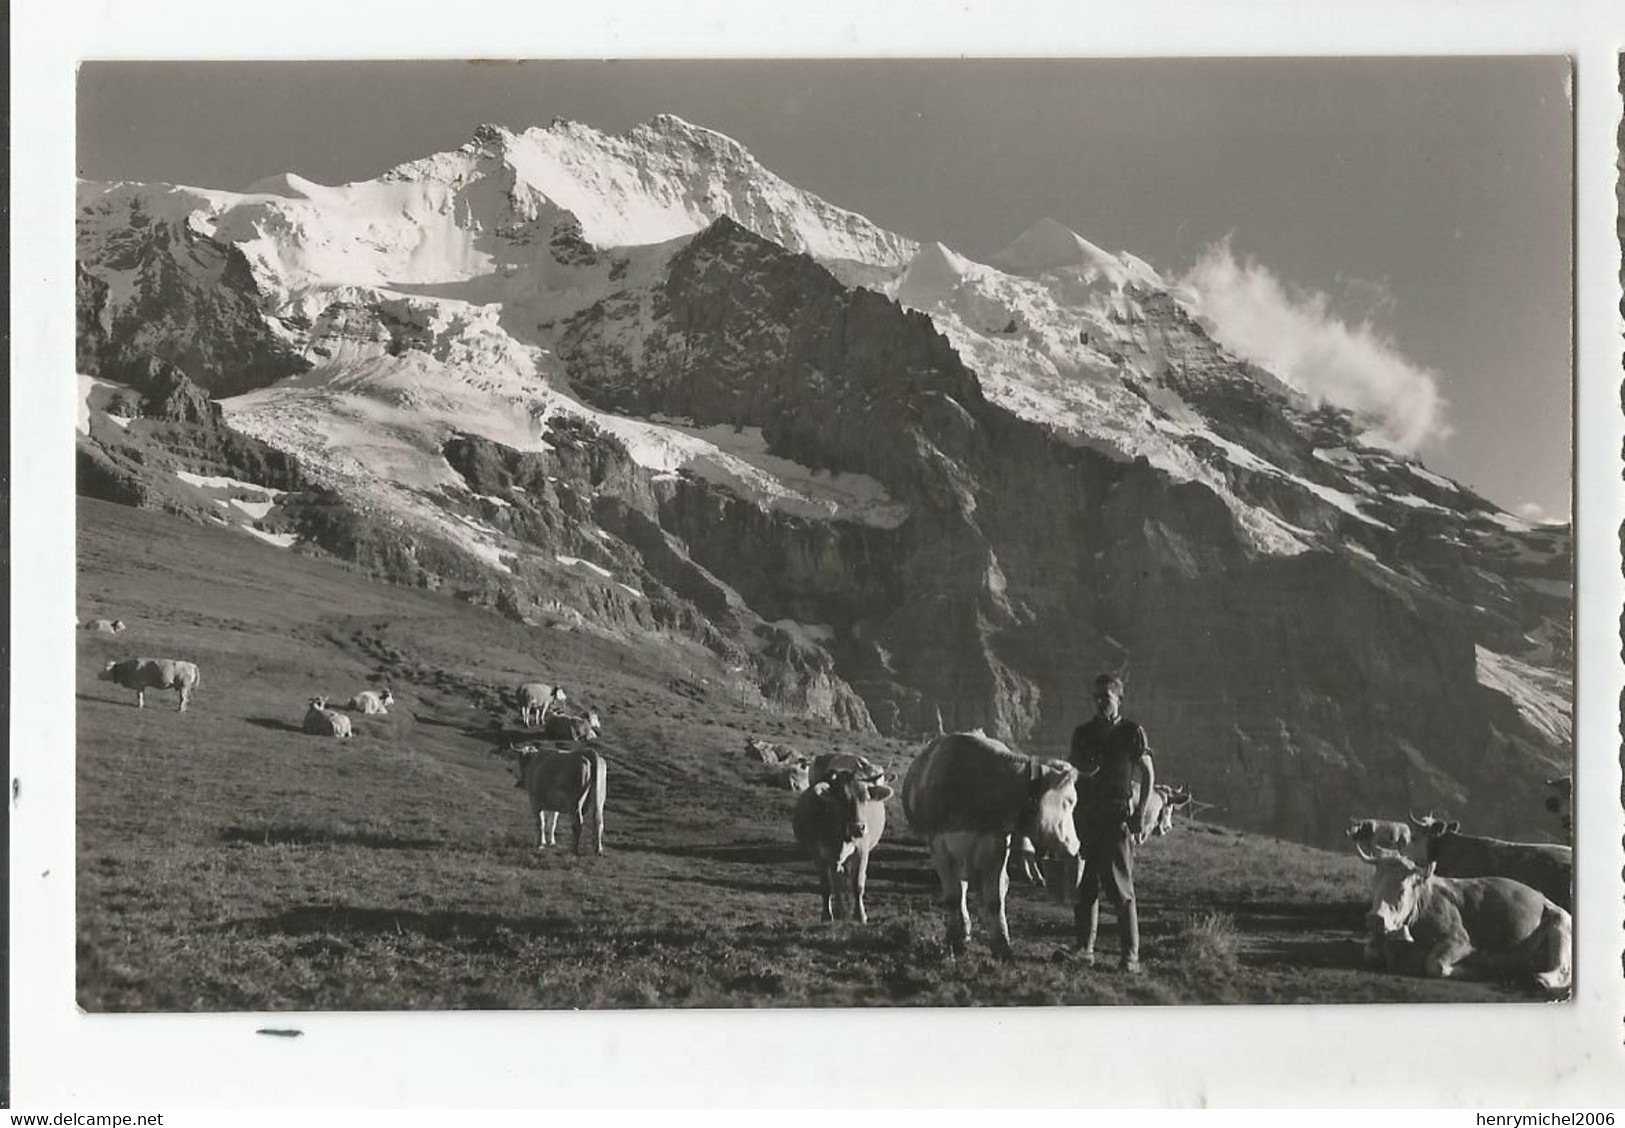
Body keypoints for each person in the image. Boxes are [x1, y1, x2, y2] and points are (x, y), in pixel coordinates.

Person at [1066, 672, 1155, 972]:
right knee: (1085, 886)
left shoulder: (1132, 732)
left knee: (1121, 889)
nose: (1100, 701)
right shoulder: (1082, 733)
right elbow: (1072, 773)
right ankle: (1083, 950)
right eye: (1096, 696)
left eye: (1106, 696)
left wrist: (1140, 812)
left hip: (1117, 818)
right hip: (1086, 819)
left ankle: (1130, 957)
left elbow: (1148, 771)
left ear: (1119, 699)